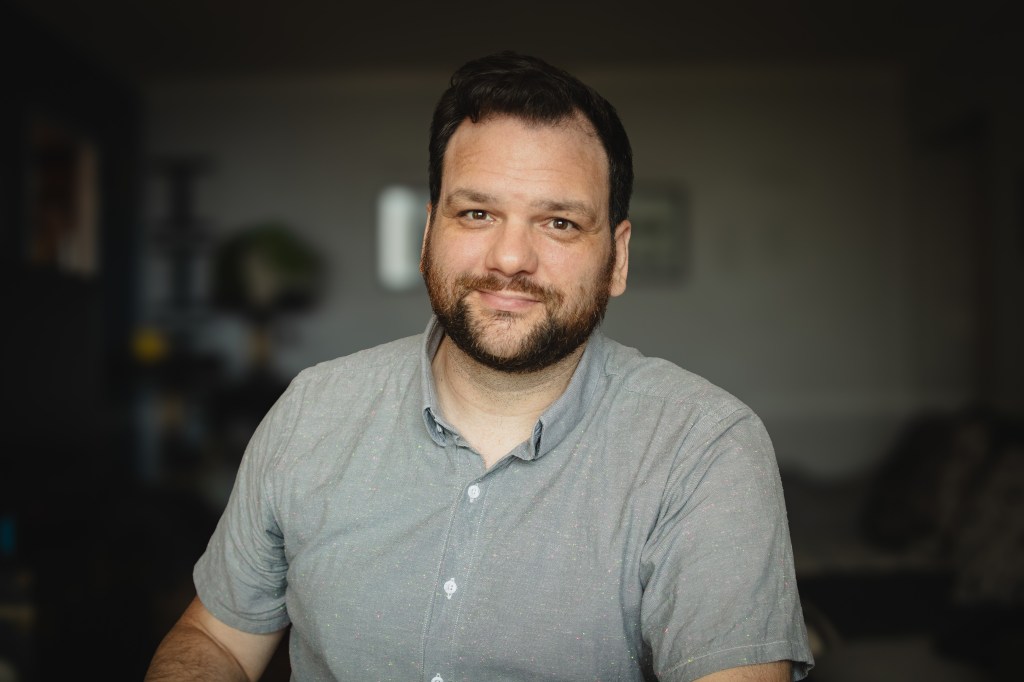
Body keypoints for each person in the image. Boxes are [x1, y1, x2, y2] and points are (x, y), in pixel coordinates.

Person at [145, 51, 814, 682]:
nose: (510, 258)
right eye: (477, 213)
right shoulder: (311, 411)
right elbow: (215, 639)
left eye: (559, 223)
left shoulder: (704, 448)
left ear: (618, 257)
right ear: (427, 233)